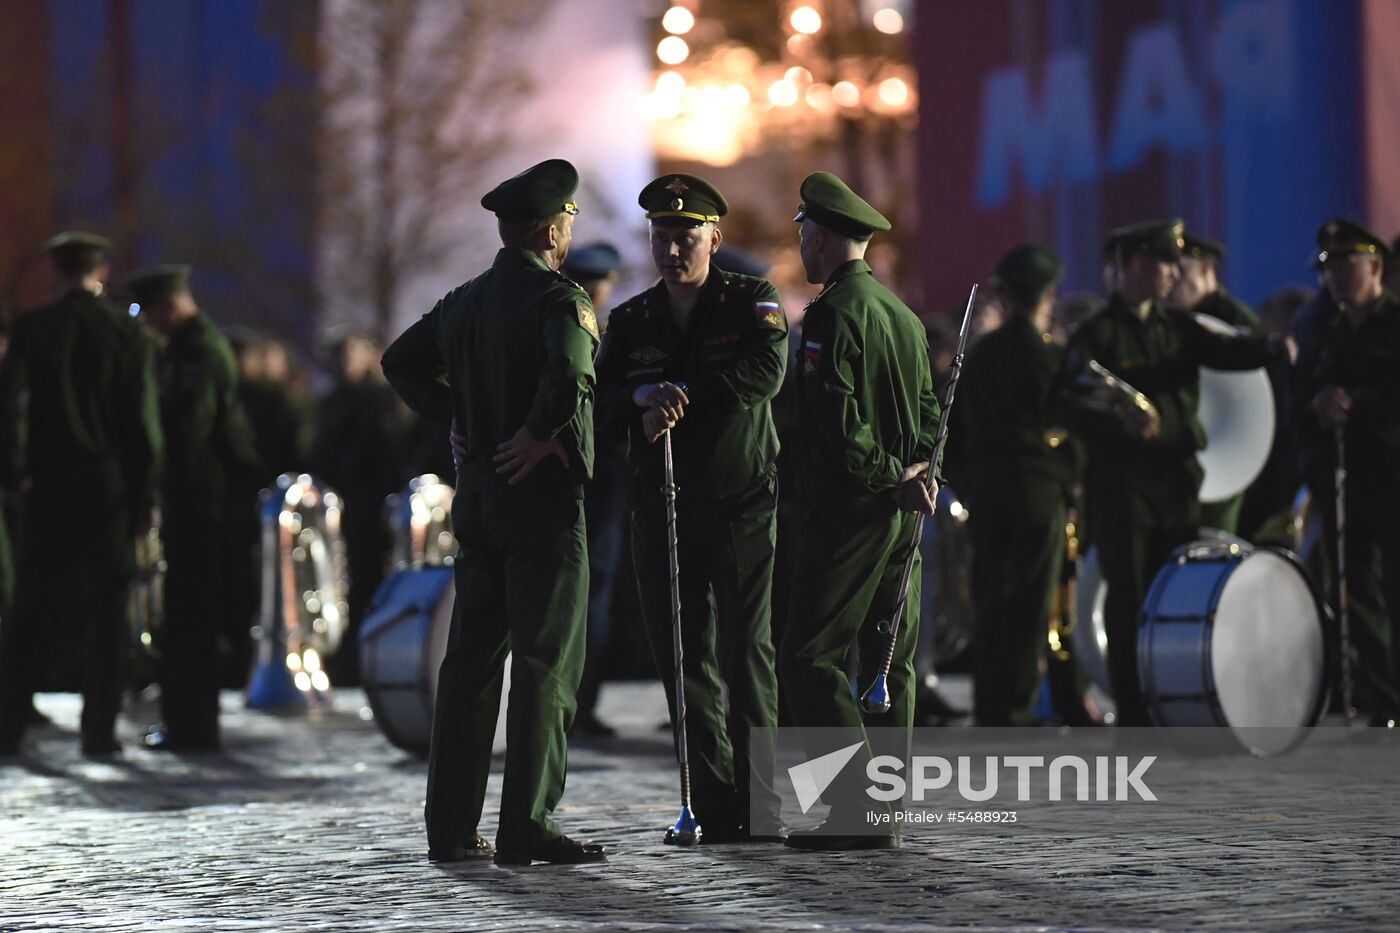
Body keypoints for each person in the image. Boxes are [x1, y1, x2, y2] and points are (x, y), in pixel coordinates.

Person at [380, 158, 605, 865]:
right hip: (540, 504)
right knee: (545, 663)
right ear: (549, 228)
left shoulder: (465, 300)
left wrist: (457, 417)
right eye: (567, 220)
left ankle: (449, 827)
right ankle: (527, 821)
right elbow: (571, 374)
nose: (570, 230)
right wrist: (540, 432)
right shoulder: (557, 301)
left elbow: (401, 361)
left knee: (470, 666)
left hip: (478, 499)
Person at [594, 174, 787, 842]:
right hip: (664, 507)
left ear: (714, 237)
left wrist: (683, 394)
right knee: (684, 659)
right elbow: (602, 397)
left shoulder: (750, 301)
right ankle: (709, 799)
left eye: (686, 237)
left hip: (739, 504)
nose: (673, 250)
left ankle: (764, 803)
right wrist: (640, 399)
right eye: (662, 237)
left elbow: (765, 372)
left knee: (746, 654)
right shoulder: (631, 320)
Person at [1052, 219, 1296, 727]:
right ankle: (1137, 714)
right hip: (1124, 487)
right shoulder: (1098, 333)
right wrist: (1123, 425)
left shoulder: (1177, 326)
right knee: (1130, 602)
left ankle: (1173, 698)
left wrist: (1271, 347)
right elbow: (1065, 405)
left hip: (1176, 482)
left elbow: (1226, 351)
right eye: (1165, 262)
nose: (1173, 272)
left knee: (1174, 600)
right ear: (1137, 264)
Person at [778, 172, 939, 850]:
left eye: (803, 236)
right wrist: (919, 474)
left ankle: (853, 808)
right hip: (903, 512)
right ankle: (884, 813)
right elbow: (932, 413)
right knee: (887, 658)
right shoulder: (900, 315)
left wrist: (884, 477)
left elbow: (839, 427)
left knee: (808, 658)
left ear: (820, 236)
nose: (801, 248)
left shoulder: (833, 314)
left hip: (851, 513)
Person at [0, 232, 162, 757]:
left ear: (57, 272)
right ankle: (98, 731)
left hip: (48, 485)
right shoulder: (125, 331)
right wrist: (144, 496)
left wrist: (13, 473)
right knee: (107, 613)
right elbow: (142, 423)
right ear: (102, 271)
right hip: (106, 488)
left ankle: (7, 725)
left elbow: (9, 409)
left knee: (31, 608)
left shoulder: (33, 328)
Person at [134, 265, 260, 752]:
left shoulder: (199, 352)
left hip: (199, 500)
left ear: (169, 306)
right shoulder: (187, 348)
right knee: (185, 614)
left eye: (150, 314)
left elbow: (189, 432)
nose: (149, 325)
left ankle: (195, 725)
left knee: (194, 616)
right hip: (193, 497)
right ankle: (185, 721)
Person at [962, 244, 1081, 726]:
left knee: (989, 594)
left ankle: (989, 702)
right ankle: (1017, 702)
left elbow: (964, 426)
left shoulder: (983, 353)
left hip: (988, 489)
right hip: (1037, 490)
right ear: (1048, 296)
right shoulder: (1052, 356)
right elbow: (1074, 424)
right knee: (1032, 598)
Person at [1292, 218, 1400, 726]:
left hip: (1391, 474)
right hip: (1344, 479)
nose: (1334, 276)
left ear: (1375, 266)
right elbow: (1297, 398)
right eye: (1327, 267)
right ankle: (1382, 698)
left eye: (1345, 264)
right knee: (1355, 592)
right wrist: (1317, 404)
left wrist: (1360, 404)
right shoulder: (1324, 330)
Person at [310, 328, 409, 684]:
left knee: (368, 584)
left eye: (353, 353)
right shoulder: (333, 402)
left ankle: (363, 661)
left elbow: (391, 455)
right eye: (340, 355)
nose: (346, 362)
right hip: (340, 507)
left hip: (371, 508)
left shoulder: (384, 400)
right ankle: (342, 661)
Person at [1171, 232, 1267, 535]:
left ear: (1205, 271)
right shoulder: (1170, 322)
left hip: (1228, 459)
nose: (1171, 281)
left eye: (1181, 273)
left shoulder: (1235, 321)